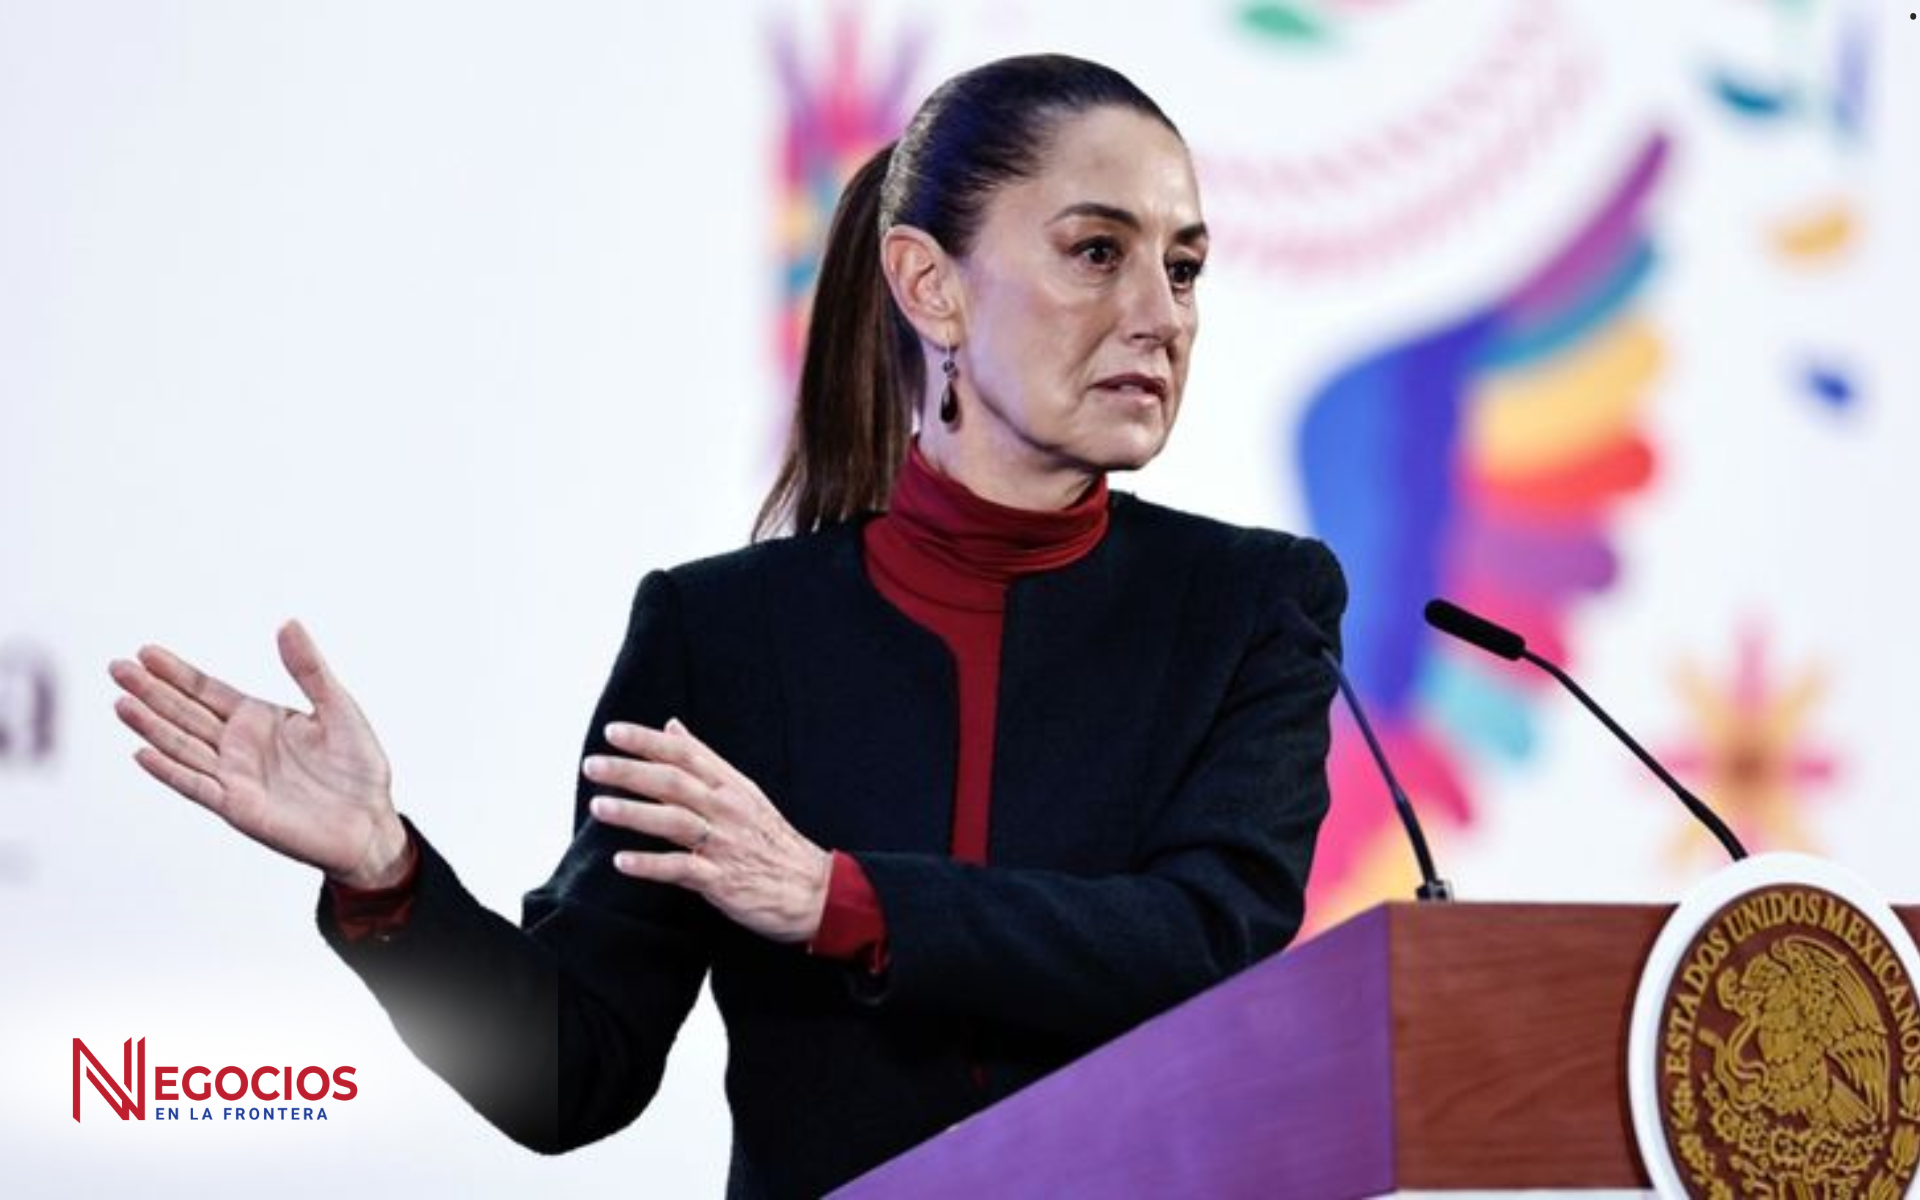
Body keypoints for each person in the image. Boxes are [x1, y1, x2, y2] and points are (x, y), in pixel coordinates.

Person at [108, 54, 1345, 1199]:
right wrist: (388, 880)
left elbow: (1211, 943)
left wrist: (839, 900)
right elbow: (566, 1075)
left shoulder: (1253, 604)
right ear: (930, 286)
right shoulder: (725, 634)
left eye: (1184, 268)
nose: (1161, 314)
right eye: (1097, 252)